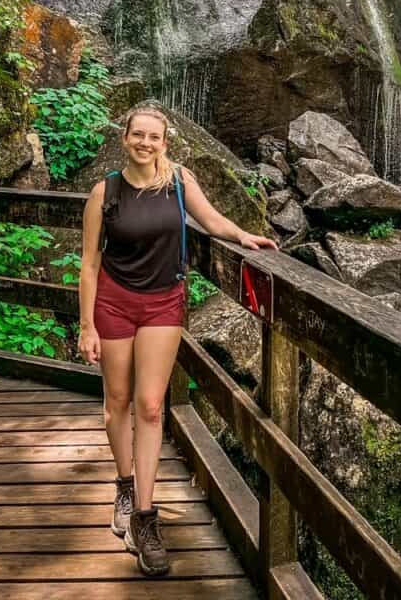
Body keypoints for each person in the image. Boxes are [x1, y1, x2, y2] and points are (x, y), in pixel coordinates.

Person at [78, 100, 277, 577]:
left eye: (154, 136)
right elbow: (88, 264)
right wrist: (86, 325)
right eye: (137, 135)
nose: (145, 143)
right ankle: (124, 485)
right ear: (124, 139)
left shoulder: (180, 182)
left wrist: (246, 237)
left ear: (165, 142)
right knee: (117, 405)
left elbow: (211, 220)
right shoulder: (103, 193)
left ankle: (146, 516)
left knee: (150, 406)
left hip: (165, 301)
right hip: (113, 302)